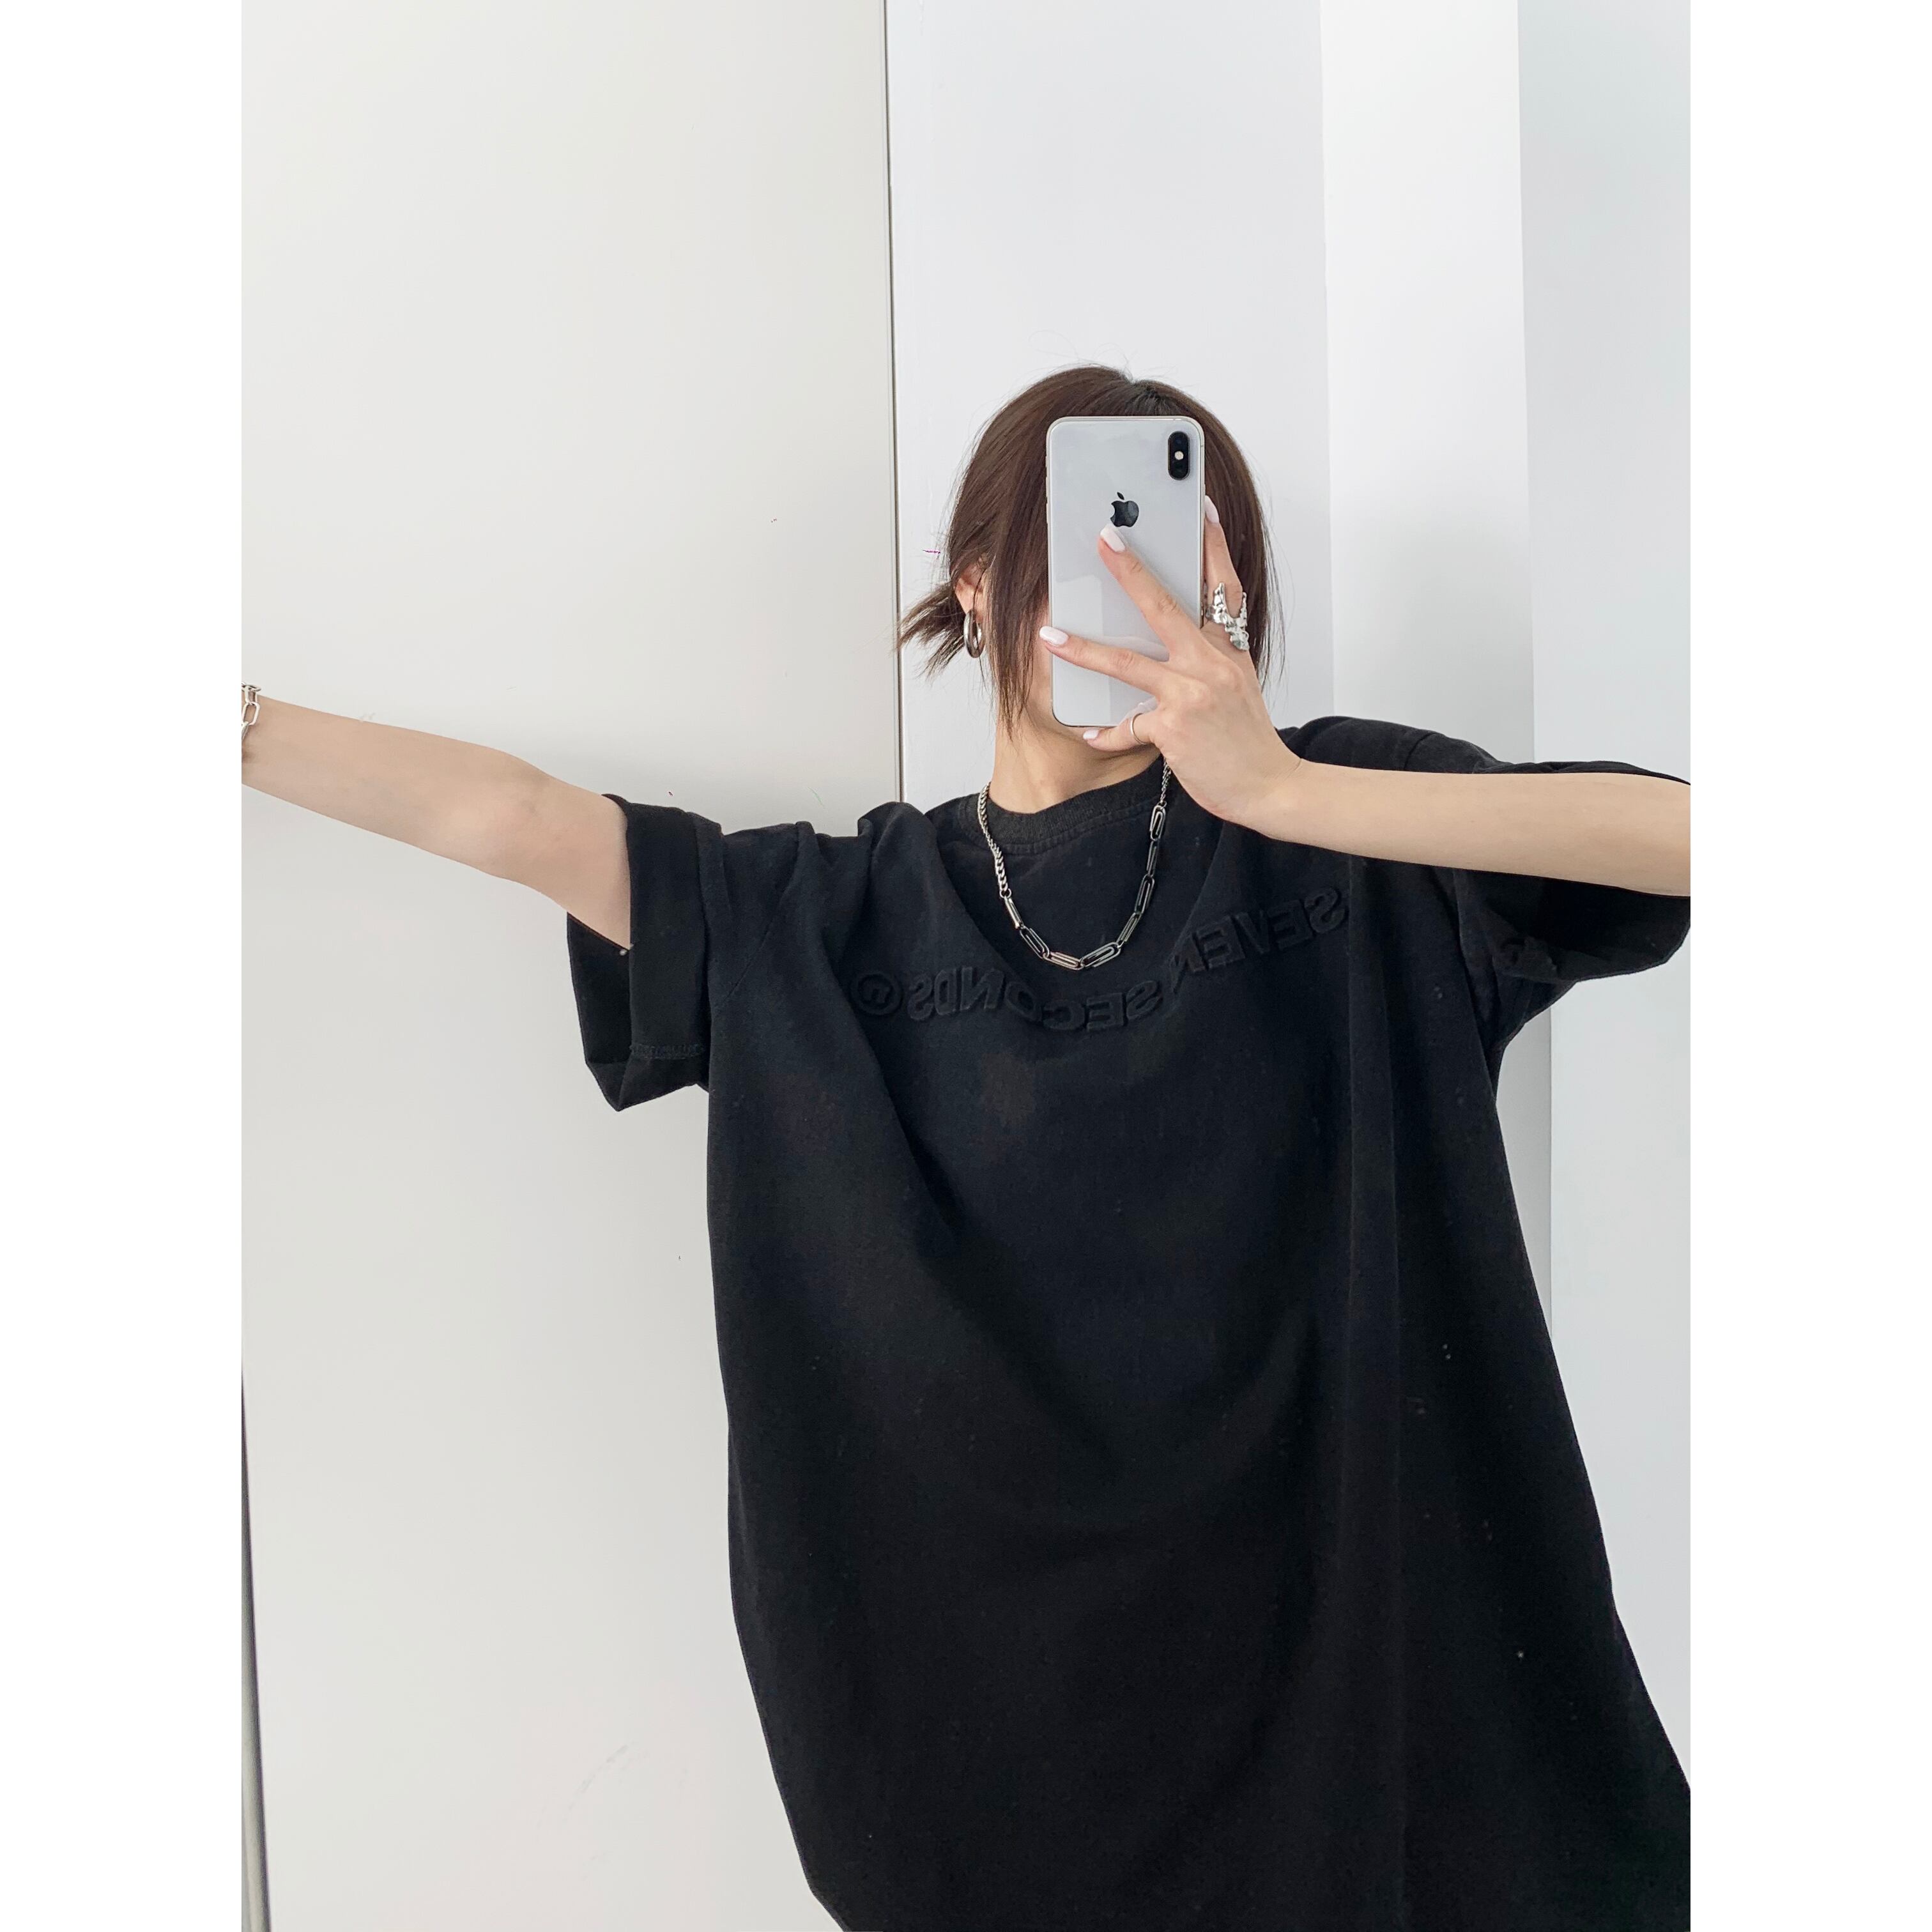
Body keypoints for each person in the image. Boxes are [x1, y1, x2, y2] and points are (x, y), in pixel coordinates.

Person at [243, 365, 1691, 1931]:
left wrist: (1278, 784)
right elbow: (522, 819)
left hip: (1395, 1729)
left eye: (1189, 560)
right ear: (983, 582)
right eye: (1094, 552)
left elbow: (1686, 840)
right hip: (1015, 1767)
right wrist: (229, 722)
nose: (1143, 597)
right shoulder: (836, 922)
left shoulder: (1349, 825)